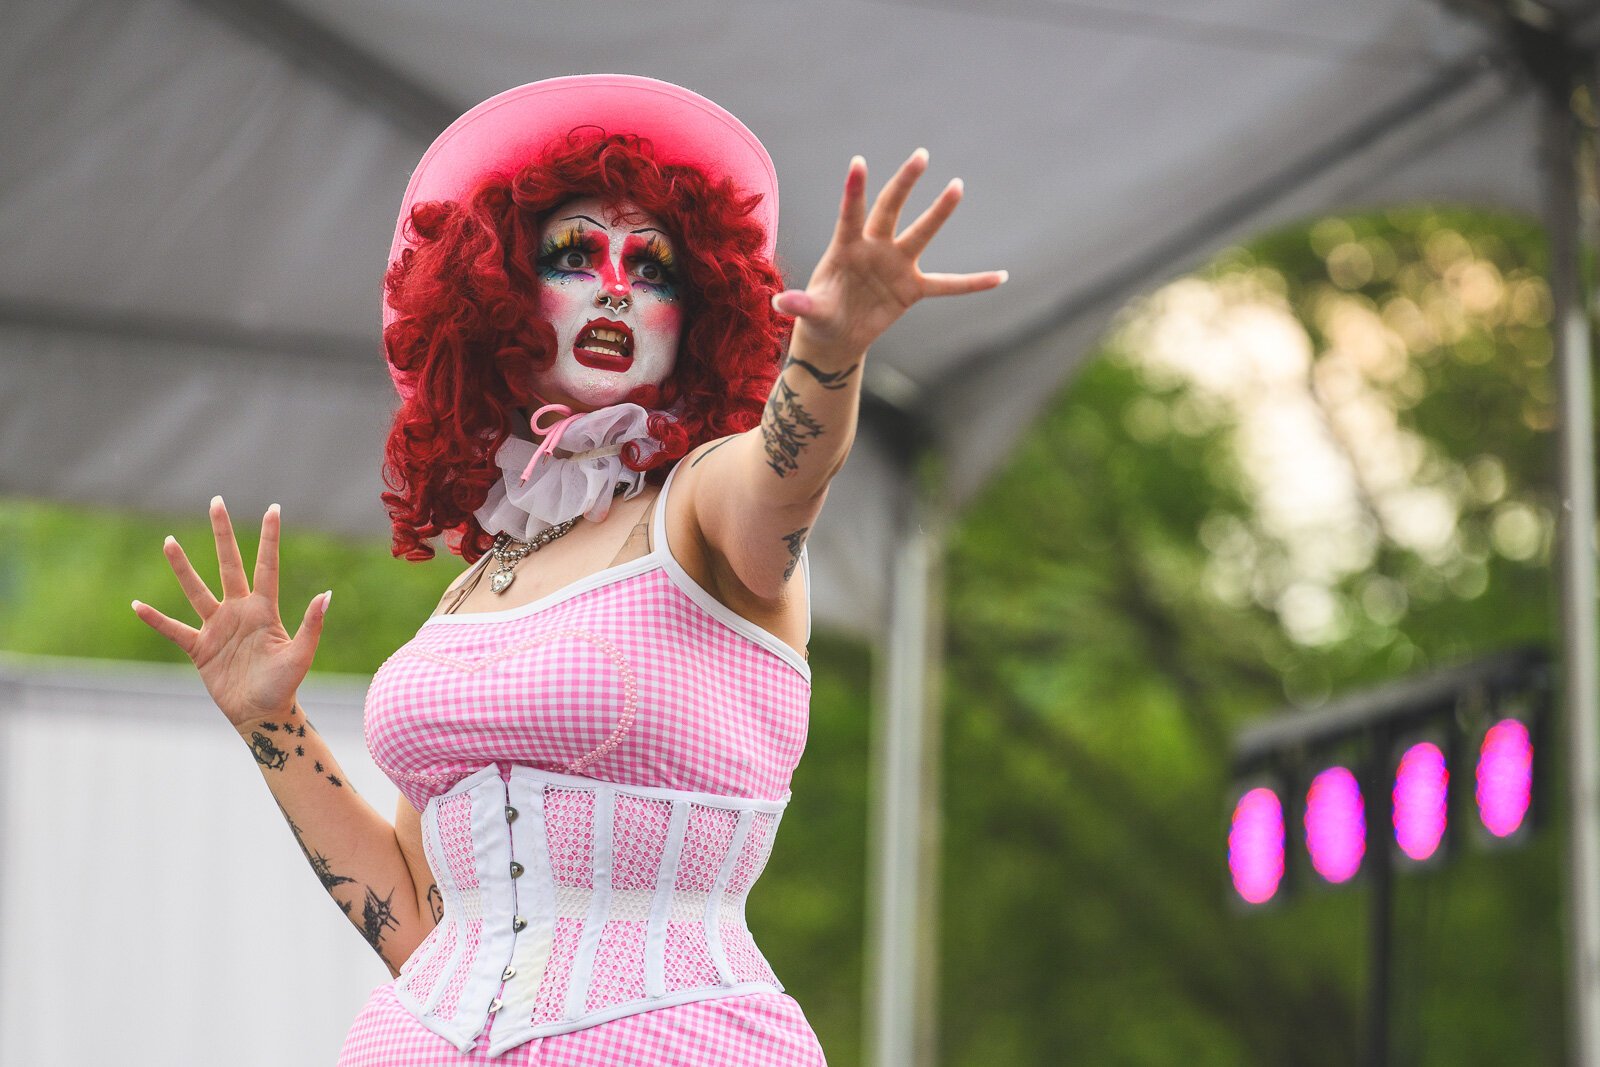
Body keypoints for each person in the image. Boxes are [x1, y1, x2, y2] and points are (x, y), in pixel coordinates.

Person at [131, 74, 1005, 1064]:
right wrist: (269, 721)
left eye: (653, 266)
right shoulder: (478, 582)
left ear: (695, 315)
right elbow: (418, 919)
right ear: (502, 295)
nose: (616, 284)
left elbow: (789, 473)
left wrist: (830, 352)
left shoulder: (702, 505)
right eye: (574, 255)